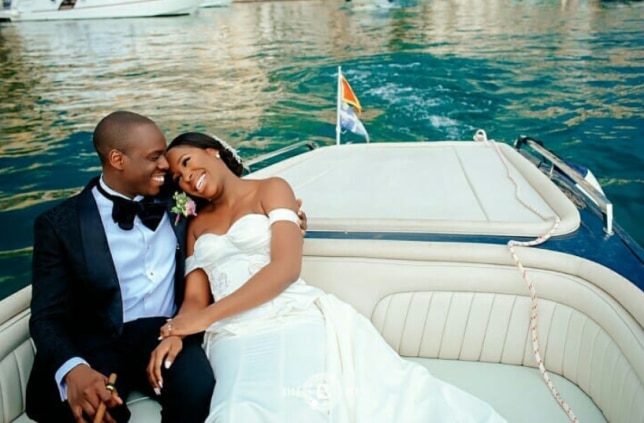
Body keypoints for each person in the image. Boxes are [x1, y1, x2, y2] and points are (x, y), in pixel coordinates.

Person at [153, 131, 508, 422]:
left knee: (313, 403)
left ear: (213, 152)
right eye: (177, 178)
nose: (186, 177)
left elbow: (286, 268)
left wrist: (204, 318)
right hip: (232, 335)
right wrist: (176, 332)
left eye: (186, 162)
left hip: (292, 315)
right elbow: (195, 298)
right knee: (238, 410)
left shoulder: (272, 189)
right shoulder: (196, 225)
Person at [26, 111, 218, 423]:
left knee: (201, 394)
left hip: (168, 332)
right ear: (117, 159)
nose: (166, 165)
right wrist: (74, 369)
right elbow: (46, 316)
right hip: (97, 339)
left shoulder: (181, 194)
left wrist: (281, 216)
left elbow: (231, 198)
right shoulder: (59, 225)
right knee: (88, 412)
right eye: (154, 157)